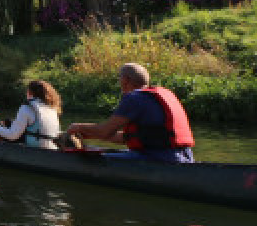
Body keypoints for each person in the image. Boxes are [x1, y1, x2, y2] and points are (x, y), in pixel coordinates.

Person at [67, 62, 195, 163]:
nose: (119, 82)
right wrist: (89, 134)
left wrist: (77, 127)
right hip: (185, 157)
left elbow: (105, 131)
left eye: (119, 78)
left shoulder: (133, 98)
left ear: (125, 80)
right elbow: (127, 138)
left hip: (157, 158)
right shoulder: (161, 96)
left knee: (93, 159)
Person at [0, 80, 63, 149]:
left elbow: (12, 136)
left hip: (36, 148)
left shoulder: (27, 107)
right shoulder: (52, 108)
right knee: (8, 122)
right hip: (51, 146)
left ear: (30, 93)